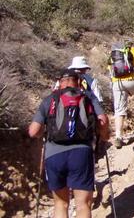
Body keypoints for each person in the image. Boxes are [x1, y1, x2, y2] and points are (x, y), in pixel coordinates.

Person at [28, 68, 110, 218]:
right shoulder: (87, 97)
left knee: (60, 204)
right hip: (81, 153)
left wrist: (44, 133)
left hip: (54, 155)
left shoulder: (50, 99)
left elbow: (33, 131)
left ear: (59, 83)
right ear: (78, 82)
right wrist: (104, 136)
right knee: (83, 204)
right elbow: (103, 121)